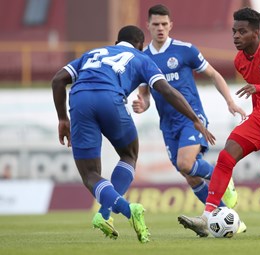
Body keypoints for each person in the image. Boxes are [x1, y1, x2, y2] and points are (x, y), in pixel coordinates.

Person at [51, 25, 215, 243]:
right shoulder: (141, 57)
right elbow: (166, 90)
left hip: (79, 100)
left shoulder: (91, 53)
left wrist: (63, 119)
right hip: (110, 99)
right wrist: (194, 118)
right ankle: (107, 214)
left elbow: (58, 80)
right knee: (128, 155)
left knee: (90, 174)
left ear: (117, 42)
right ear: (140, 44)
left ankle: (117, 212)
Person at [178, 7, 260, 237]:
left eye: (242, 31)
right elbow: (258, 93)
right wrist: (256, 113)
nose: (236, 36)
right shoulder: (239, 61)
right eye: (234, 31)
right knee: (226, 156)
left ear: (256, 33)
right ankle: (207, 217)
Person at [132, 4, 246, 212]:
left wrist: (230, 101)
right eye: (156, 24)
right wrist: (142, 104)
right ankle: (223, 215)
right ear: (147, 25)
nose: (160, 28)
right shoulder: (142, 59)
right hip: (168, 124)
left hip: (191, 118)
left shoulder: (185, 50)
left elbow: (213, 74)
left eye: (164, 24)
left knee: (185, 163)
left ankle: (222, 177)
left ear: (170, 25)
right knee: (189, 175)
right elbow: (146, 95)